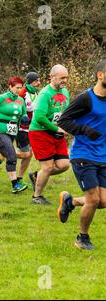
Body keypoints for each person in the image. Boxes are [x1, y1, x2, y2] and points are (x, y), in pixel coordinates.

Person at [56, 60, 106, 250]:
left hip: (103, 155)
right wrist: (84, 130)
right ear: (100, 75)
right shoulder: (86, 98)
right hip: (83, 154)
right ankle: (82, 238)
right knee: (93, 199)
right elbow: (64, 121)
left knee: (103, 202)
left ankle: (71, 201)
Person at [28, 65, 70, 204]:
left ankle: (37, 176)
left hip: (56, 132)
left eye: (66, 78)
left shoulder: (65, 92)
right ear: (52, 77)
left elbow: (66, 113)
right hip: (40, 132)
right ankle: (37, 197)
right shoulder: (45, 94)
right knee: (48, 167)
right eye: (62, 78)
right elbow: (39, 117)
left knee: (64, 164)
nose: (65, 80)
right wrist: (56, 129)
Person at [16, 72, 41, 186]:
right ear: (30, 82)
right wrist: (22, 116)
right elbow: (15, 107)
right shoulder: (22, 93)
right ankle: (5, 152)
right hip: (21, 128)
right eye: (36, 81)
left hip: (32, 128)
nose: (39, 83)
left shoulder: (36, 92)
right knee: (25, 154)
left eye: (39, 80)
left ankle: (19, 178)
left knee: (29, 154)